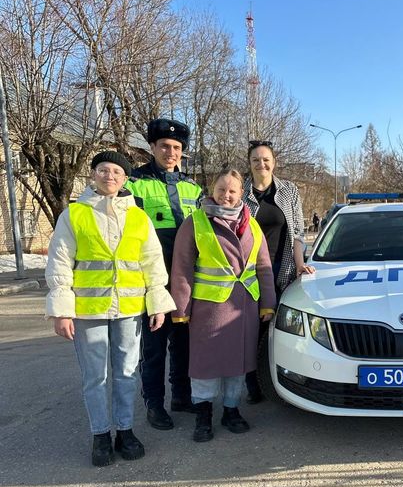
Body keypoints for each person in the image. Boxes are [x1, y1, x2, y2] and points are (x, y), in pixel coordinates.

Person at [45, 151, 176, 466]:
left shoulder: (138, 217)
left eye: (117, 172)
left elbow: (152, 264)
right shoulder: (74, 215)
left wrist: (157, 304)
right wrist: (61, 309)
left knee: (127, 375)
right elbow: (60, 263)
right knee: (96, 377)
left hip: (129, 310)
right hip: (88, 312)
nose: (110, 176)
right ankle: (101, 435)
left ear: (125, 179)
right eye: (104, 170)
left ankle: (125, 430)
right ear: (93, 174)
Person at [170, 168, 277, 442]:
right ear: (212, 190)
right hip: (209, 310)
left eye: (232, 190)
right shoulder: (196, 222)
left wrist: (268, 303)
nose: (226, 195)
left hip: (244, 310)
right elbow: (181, 268)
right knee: (205, 365)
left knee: (238, 364)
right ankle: (203, 415)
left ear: (242, 193)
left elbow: (263, 266)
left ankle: (231, 410)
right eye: (221, 189)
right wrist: (180, 309)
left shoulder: (252, 224)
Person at [127, 118, 203, 430]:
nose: (170, 152)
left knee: (184, 343)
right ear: (153, 147)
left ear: (182, 151)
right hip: (152, 282)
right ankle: (154, 404)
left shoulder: (193, 187)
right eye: (165, 146)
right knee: (154, 348)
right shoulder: (133, 184)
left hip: (185, 280)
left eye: (176, 148)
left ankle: (181, 397)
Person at [242, 140, 315, 403]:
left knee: (276, 328)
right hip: (247, 273)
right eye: (255, 160)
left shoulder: (289, 191)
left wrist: (299, 263)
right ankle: (253, 384)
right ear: (249, 164)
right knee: (251, 330)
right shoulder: (241, 193)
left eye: (265, 159)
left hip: (280, 269)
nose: (261, 164)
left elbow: (297, 231)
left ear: (274, 162)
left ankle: (286, 380)